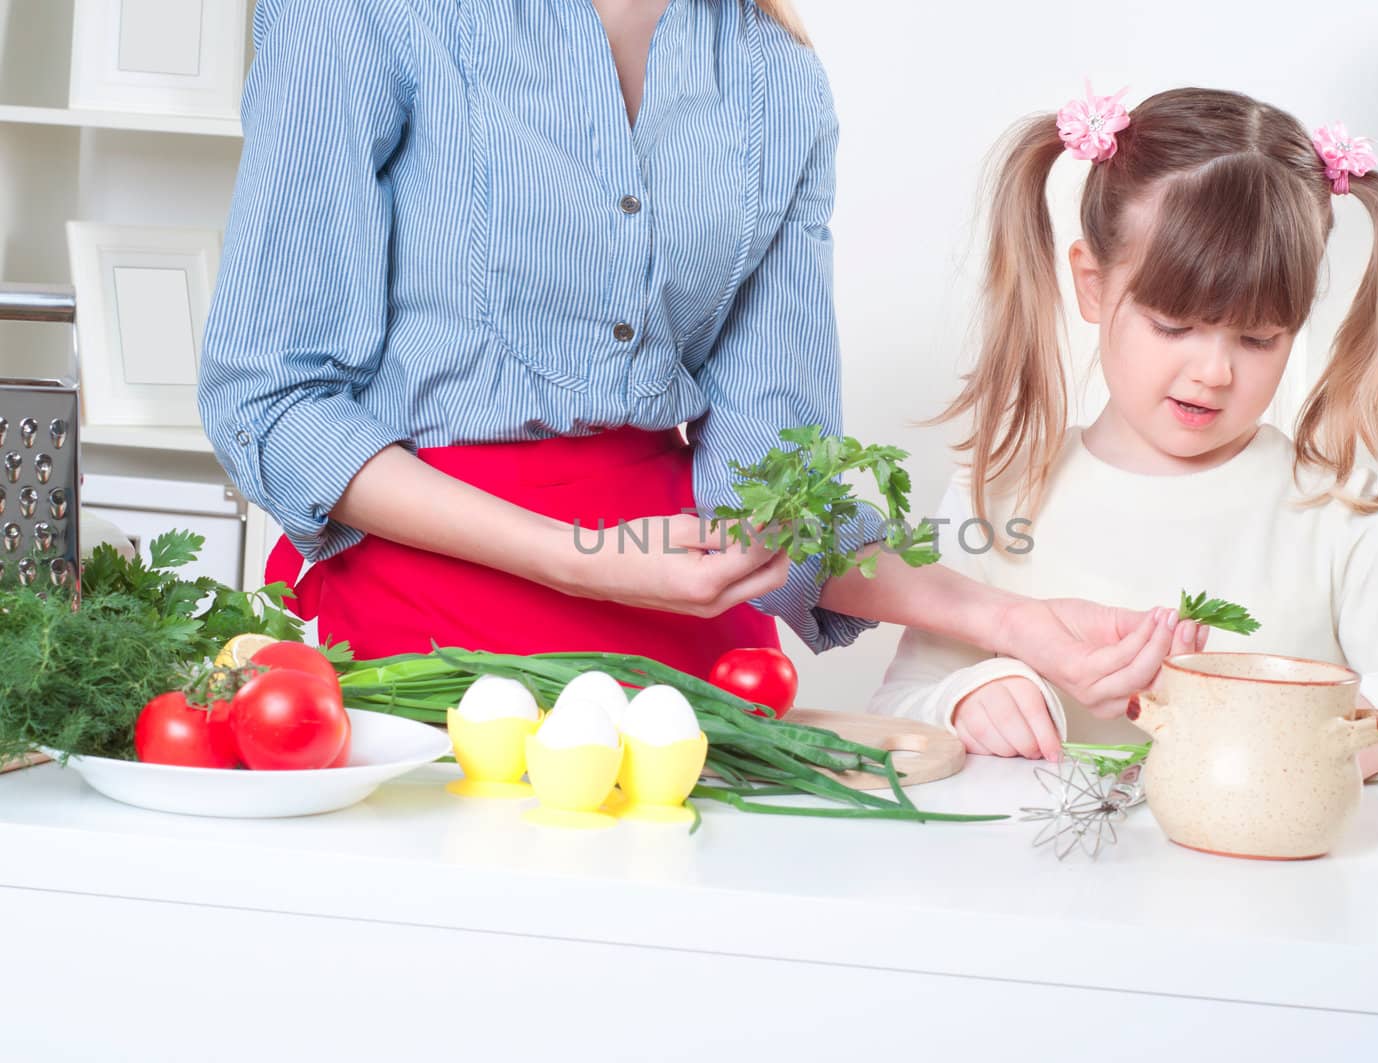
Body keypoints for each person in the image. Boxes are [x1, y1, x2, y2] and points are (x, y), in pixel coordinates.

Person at [197, 3, 1198, 714]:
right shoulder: (369, 17)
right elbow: (274, 401)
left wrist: (1010, 620)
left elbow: (771, 495)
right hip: (412, 638)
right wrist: (572, 557)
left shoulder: (774, 80)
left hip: (682, 664)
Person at [868, 85, 1378, 778]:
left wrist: (1350, 727)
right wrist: (966, 696)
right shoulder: (1002, 493)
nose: (1213, 371)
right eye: (1174, 326)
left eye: (1257, 338)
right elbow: (901, 701)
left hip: (1263, 878)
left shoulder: (1334, 508)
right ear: (1092, 284)